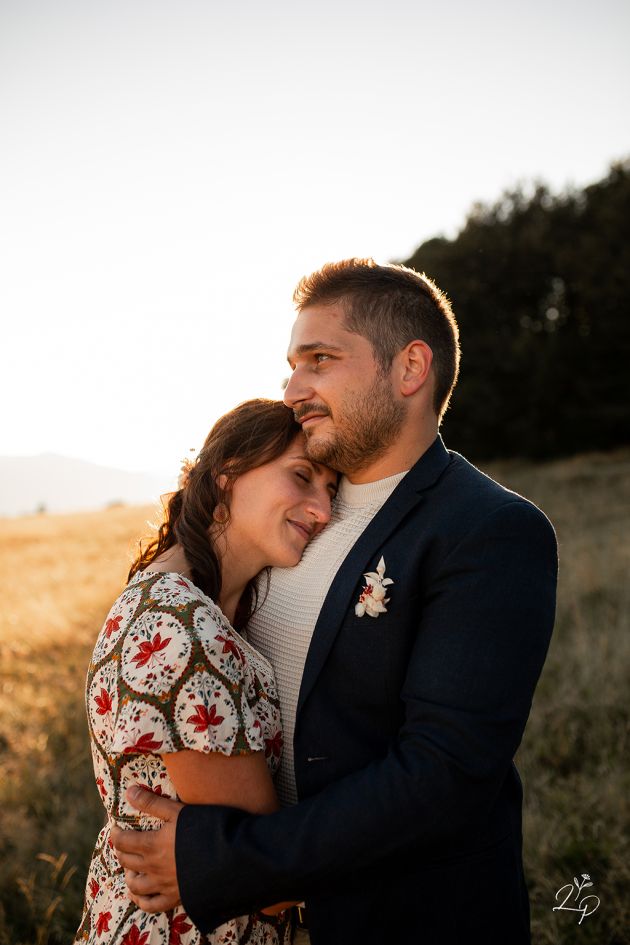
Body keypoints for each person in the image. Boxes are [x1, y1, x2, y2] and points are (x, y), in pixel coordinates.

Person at [112, 258, 558, 945]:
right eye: (291, 365)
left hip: (406, 920)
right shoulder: (293, 507)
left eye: (320, 359)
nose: (293, 389)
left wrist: (229, 860)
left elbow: (440, 777)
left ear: (410, 369)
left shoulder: (489, 529)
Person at [74, 398, 337, 945]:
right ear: (227, 477)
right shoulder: (183, 627)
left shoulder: (180, 602)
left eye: (330, 491)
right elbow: (262, 879)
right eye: (302, 477)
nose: (322, 510)